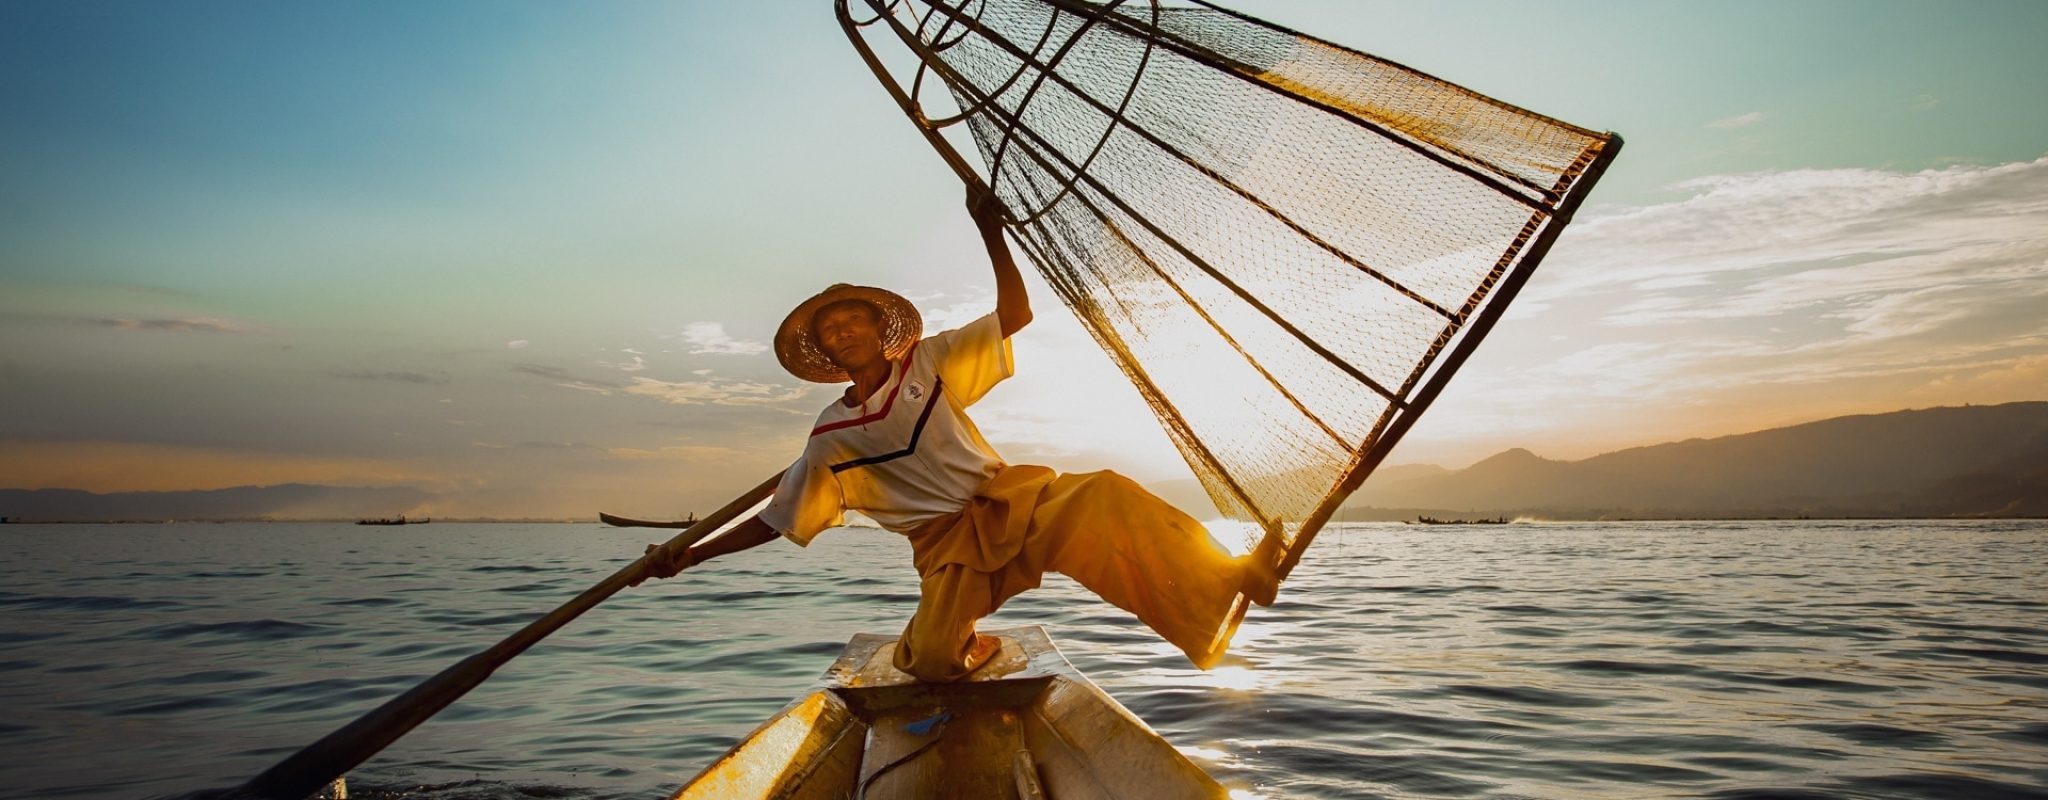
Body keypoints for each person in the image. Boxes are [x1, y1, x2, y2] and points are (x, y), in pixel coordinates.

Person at [639, 188, 1279, 681]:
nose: (843, 332)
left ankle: (1230, 578)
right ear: (826, 352)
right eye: (831, 331)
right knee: (936, 660)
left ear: (877, 329)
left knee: (1106, 494)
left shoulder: (930, 361)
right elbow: (776, 520)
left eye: (853, 320)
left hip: (1011, 503)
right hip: (946, 547)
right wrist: (689, 555)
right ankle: (961, 645)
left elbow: (1015, 316)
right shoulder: (831, 434)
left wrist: (989, 230)